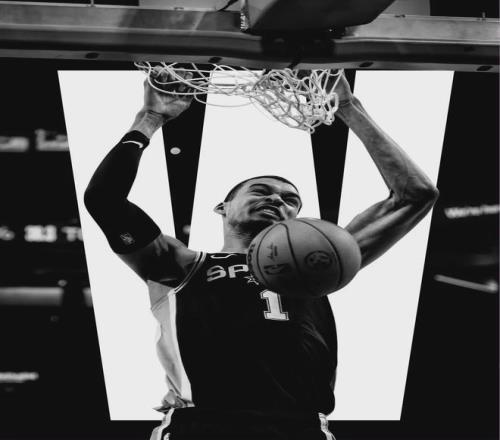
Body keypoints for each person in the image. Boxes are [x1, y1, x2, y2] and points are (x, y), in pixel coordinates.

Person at [84, 70, 439, 440]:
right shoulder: (181, 264)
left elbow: (416, 195)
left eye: (290, 200)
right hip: (204, 424)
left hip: (299, 427)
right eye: (260, 191)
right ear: (222, 207)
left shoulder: (322, 261)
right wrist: (150, 119)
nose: (276, 199)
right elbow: (104, 199)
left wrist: (348, 107)